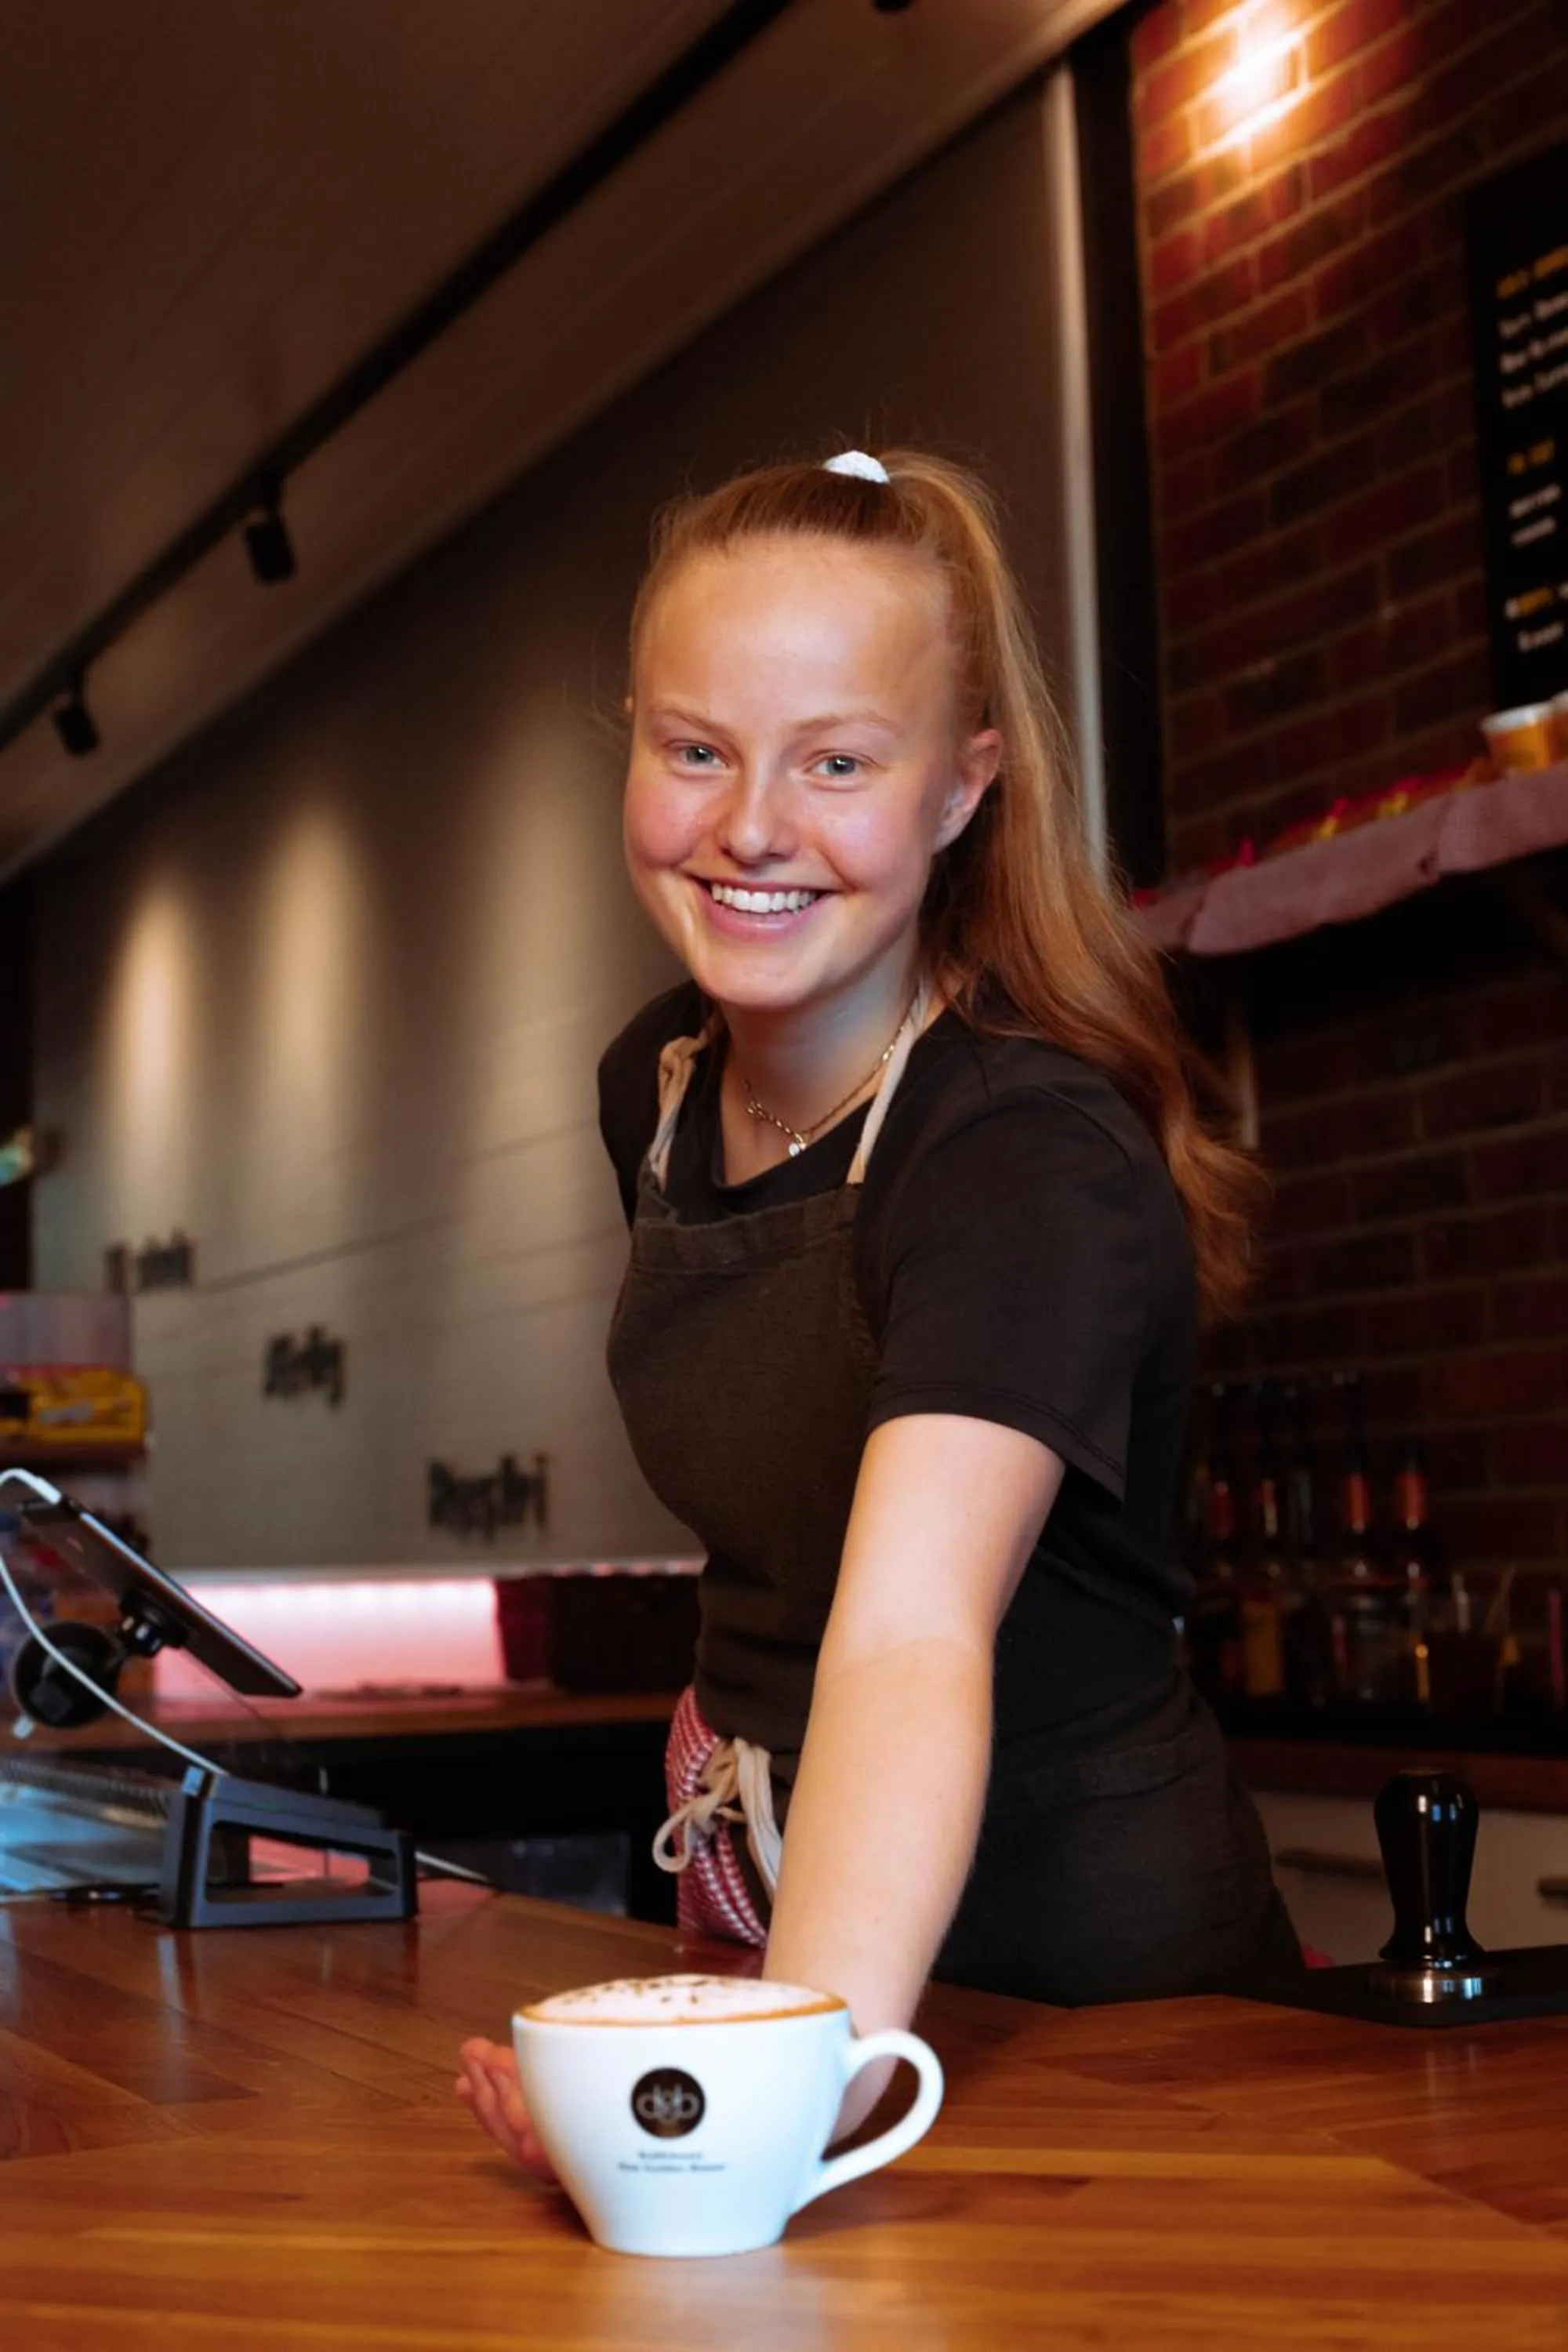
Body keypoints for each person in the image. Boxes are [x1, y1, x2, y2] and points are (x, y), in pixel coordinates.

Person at [457, 445, 1300, 2173]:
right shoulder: (656, 1086)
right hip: (797, 1931)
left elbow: (911, 1633)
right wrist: (723, 2047)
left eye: (836, 761)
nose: (752, 827)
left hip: (1097, 2007)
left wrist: (775, 2094)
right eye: (696, 748)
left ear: (960, 788)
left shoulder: (1016, 1149)